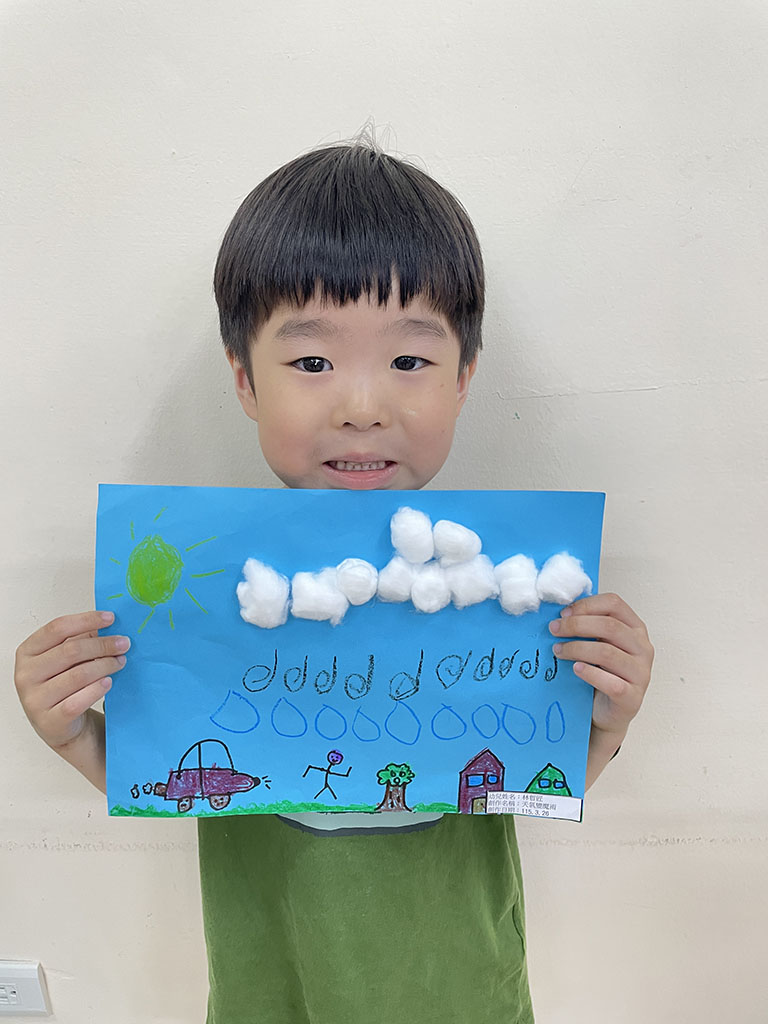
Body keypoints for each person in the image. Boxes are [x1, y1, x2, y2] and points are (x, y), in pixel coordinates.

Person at [14, 136, 654, 1023]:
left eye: (409, 361)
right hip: (270, 988)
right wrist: (73, 735)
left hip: (461, 990)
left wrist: (608, 719)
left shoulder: (503, 591)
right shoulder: (204, 602)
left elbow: (524, 772)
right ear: (245, 379)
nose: (361, 406)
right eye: (312, 362)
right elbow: (173, 773)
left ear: (464, 378)